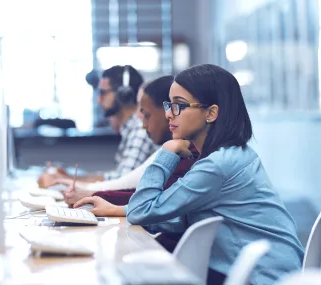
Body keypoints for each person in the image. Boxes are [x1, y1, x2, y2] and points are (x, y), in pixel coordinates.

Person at [121, 64, 303, 285]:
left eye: (178, 105)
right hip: (275, 269)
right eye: (169, 105)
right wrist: (122, 210)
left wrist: (166, 152)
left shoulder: (217, 166)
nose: (169, 114)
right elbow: (191, 217)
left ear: (211, 113)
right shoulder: (233, 154)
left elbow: (141, 211)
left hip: (261, 277)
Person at [69, 76, 196, 210]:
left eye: (146, 114)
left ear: (210, 113)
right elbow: (149, 202)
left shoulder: (194, 157)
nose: (169, 114)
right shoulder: (182, 150)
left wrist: (93, 196)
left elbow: (149, 204)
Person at [38, 65, 158, 185]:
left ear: (123, 94)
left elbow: (122, 183)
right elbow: (115, 177)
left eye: (103, 93)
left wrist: (68, 180)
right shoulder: (131, 130)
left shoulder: (140, 131)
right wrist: (69, 177)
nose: (98, 100)